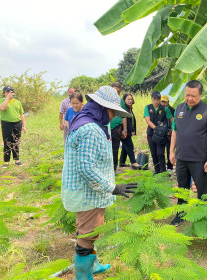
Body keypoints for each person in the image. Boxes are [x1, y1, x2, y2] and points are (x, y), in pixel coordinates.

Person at [62, 86, 136, 279]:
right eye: (112, 111)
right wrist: (113, 187)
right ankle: (83, 275)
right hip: (87, 192)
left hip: (93, 190)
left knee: (93, 230)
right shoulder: (91, 129)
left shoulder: (87, 120)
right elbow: (86, 168)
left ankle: (93, 266)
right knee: (87, 235)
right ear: (102, 108)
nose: (113, 117)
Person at [169, 80, 207, 226]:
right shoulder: (179, 108)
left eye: (193, 96)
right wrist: (171, 151)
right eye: (187, 95)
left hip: (199, 159)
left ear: (201, 95)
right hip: (181, 157)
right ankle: (180, 214)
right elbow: (175, 131)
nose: (190, 98)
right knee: (182, 188)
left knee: (202, 190)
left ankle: (204, 217)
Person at [144, 91, 173, 174]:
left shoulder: (165, 109)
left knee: (160, 153)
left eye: (158, 99)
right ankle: (157, 171)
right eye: (154, 99)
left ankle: (163, 172)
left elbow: (172, 120)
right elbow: (148, 120)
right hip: (151, 134)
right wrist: (156, 129)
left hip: (161, 135)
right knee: (154, 153)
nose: (156, 101)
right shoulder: (148, 107)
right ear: (151, 99)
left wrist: (172, 129)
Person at [0, 86, 27, 168]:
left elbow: (21, 114)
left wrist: (24, 126)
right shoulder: (0, 101)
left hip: (17, 123)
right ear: (4, 93)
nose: (9, 93)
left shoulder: (18, 102)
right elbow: (2, 108)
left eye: (11, 91)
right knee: (7, 142)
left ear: (13, 93)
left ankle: (17, 160)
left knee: (16, 142)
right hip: (6, 124)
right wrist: (7, 98)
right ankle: (6, 162)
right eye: (7, 91)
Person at [109, 82, 128, 171]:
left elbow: (124, 116)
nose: (117, 94)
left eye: (118, 92)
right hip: (106, 127)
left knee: (115, 149)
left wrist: (124, 130)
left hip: (116, 128)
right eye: (115, 91)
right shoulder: (105, 100)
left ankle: (113, 169)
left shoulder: (120, 101)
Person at [119, 93, 141, 169]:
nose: (130, 101)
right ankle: (133, 162)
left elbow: (132, 120)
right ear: (124, 100)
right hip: (123, 131)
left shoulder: (129, 109)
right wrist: (128, 130)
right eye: (128, 99)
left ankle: (122, 163)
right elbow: (126, 121)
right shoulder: (124, 109)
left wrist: (133, 130)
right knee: (129, 146)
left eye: (131, 99)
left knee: (125, 147)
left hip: (127, 130)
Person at [161, 95, 175, 170]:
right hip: (162, 132)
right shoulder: (160, 110)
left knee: (170, 149)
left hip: (170, 132)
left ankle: (170, 166)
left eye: (164, 102)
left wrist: (172, 130)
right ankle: (162, 167)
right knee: (161, 150)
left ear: (168, 102)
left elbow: (174, 121)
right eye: (162, 101)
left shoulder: (172, 110)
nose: (163, 103)